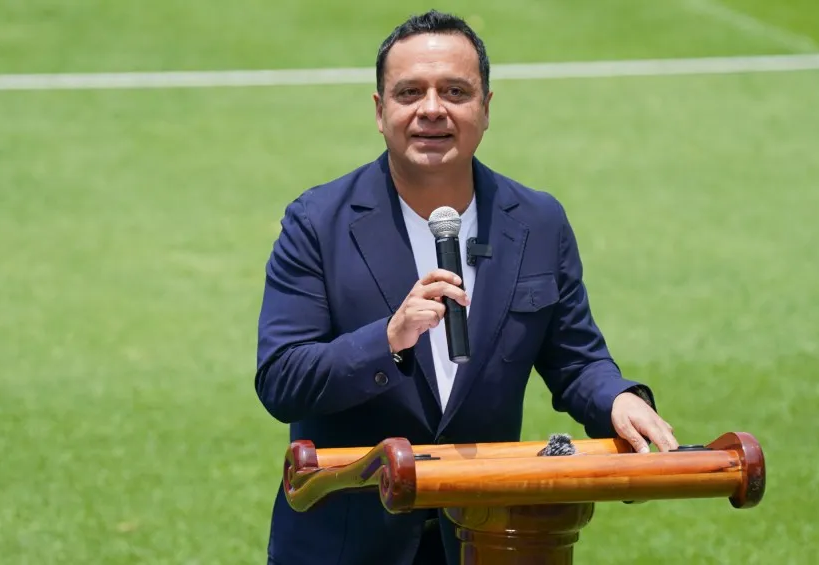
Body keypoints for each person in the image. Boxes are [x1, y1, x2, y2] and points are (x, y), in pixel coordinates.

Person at [255, 10, 679, 565]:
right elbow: (282, 379)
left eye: (455, 91)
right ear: (380, 111)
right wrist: (387, 340)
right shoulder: (318, 222)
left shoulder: (538, 222)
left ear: (486, 107)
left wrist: (618, 398)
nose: (432, 109)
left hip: (489, 537)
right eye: (410, 92)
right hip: (347, 546)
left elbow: (576, 362)